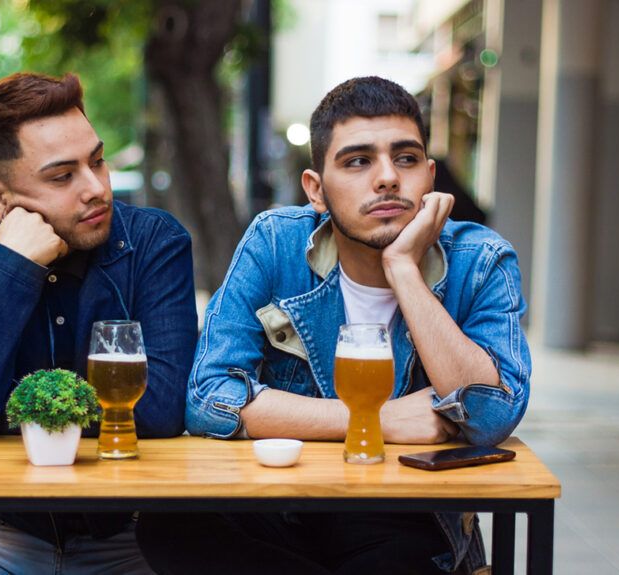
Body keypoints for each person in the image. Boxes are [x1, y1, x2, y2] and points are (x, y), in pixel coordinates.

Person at [137, 76, 530, 574]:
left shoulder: (480, 260)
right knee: (169, 527)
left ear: (430, 178)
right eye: (358, 161)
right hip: (280, 502)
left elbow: (491, 417)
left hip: (404, 516)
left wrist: (404, 270)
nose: (387, 177)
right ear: (316, 190)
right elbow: (209, 399)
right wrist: (375, 420)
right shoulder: (276, 242)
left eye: (405, 159)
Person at [0, 72, 198, 574]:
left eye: (97, 161)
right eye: (61, 176)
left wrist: (12, 410)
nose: (96, 188)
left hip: (133, 536)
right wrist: (12, 272)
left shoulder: (154, 243)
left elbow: (161, 410)